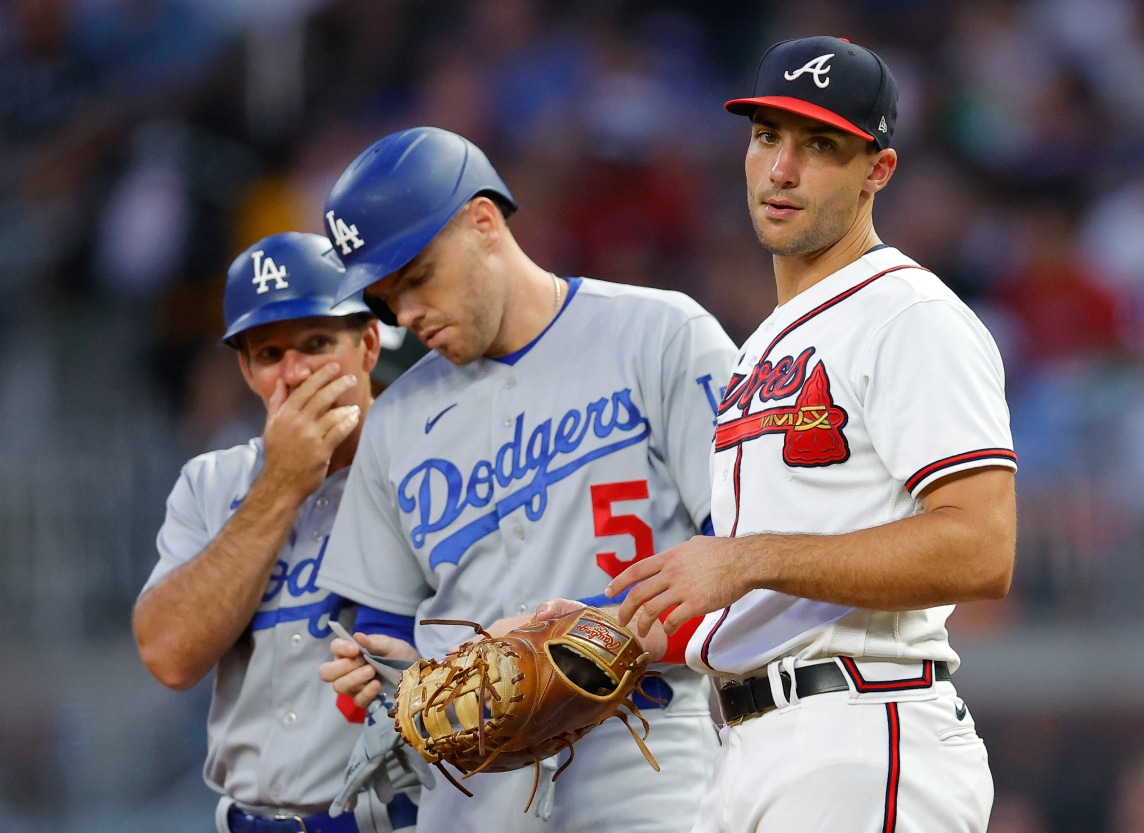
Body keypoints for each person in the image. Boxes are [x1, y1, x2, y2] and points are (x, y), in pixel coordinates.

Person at [588, 36, 1017, 832]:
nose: (781, 169)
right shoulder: (762, 347)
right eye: (766, 137)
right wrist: (577, 631)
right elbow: (746, 598)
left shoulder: (908, 314)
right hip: (749, 746)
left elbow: (982, 547)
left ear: (876, 172)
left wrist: (747, 559)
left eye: (819, 145)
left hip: (862, 724)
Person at [314, 125, 737, 833]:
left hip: (645, 761)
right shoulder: (396, 419)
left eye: (417, 278)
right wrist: (376, 672)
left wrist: (573, 637)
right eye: (387, 300)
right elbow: (379, 622)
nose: (407, 314)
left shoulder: (659, 333)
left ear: (484, 222)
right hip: (471, 791)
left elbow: (742, 552)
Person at [133, 232, 419, 833]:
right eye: (268, 354)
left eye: (316, 344)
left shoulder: (426, 472)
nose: (293, 374)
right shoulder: (212, 483)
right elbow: (168, 656)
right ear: (246, 370)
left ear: (369, 344)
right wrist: (282, 485)